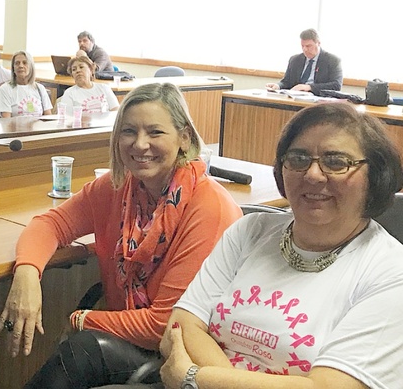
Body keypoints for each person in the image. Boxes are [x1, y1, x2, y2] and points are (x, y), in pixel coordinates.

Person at [0, 83, 242, 388]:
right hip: (130, 335)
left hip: (184, 357)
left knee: (83, 350)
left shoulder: (209, 208)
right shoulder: (119, 187)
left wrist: (81, 319)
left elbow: (165, 325)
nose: (140, 144)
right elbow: (51, 224)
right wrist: (27, 276)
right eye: (128, 132)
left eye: (155, 132)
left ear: (184, 138)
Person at [159, 102, 403, 389]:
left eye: (336, 162)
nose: (312, 175)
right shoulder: (249, 231)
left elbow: (328, 387)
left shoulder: (390, 272)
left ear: (375, 177)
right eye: (298, 158)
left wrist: (195, 378)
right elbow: (179, 328)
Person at [265, 28, 342, 94]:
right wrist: (278, 86)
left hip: (318, 101)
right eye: (302, 46)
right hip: (294, 99)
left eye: (308, 46)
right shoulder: (295, 60)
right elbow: (286, 82)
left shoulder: (332, 60)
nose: (305, 49)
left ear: (318, 43)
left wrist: (309, 87)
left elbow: (336, 85)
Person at [0, 51, 52, 117]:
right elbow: (6, 121)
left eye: (25, 63)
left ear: (31, 67)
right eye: (17, 63)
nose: (21, 66)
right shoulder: (5, 89)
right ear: (13, 68)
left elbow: (48, 118)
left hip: (38, 126)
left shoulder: (40, 88)